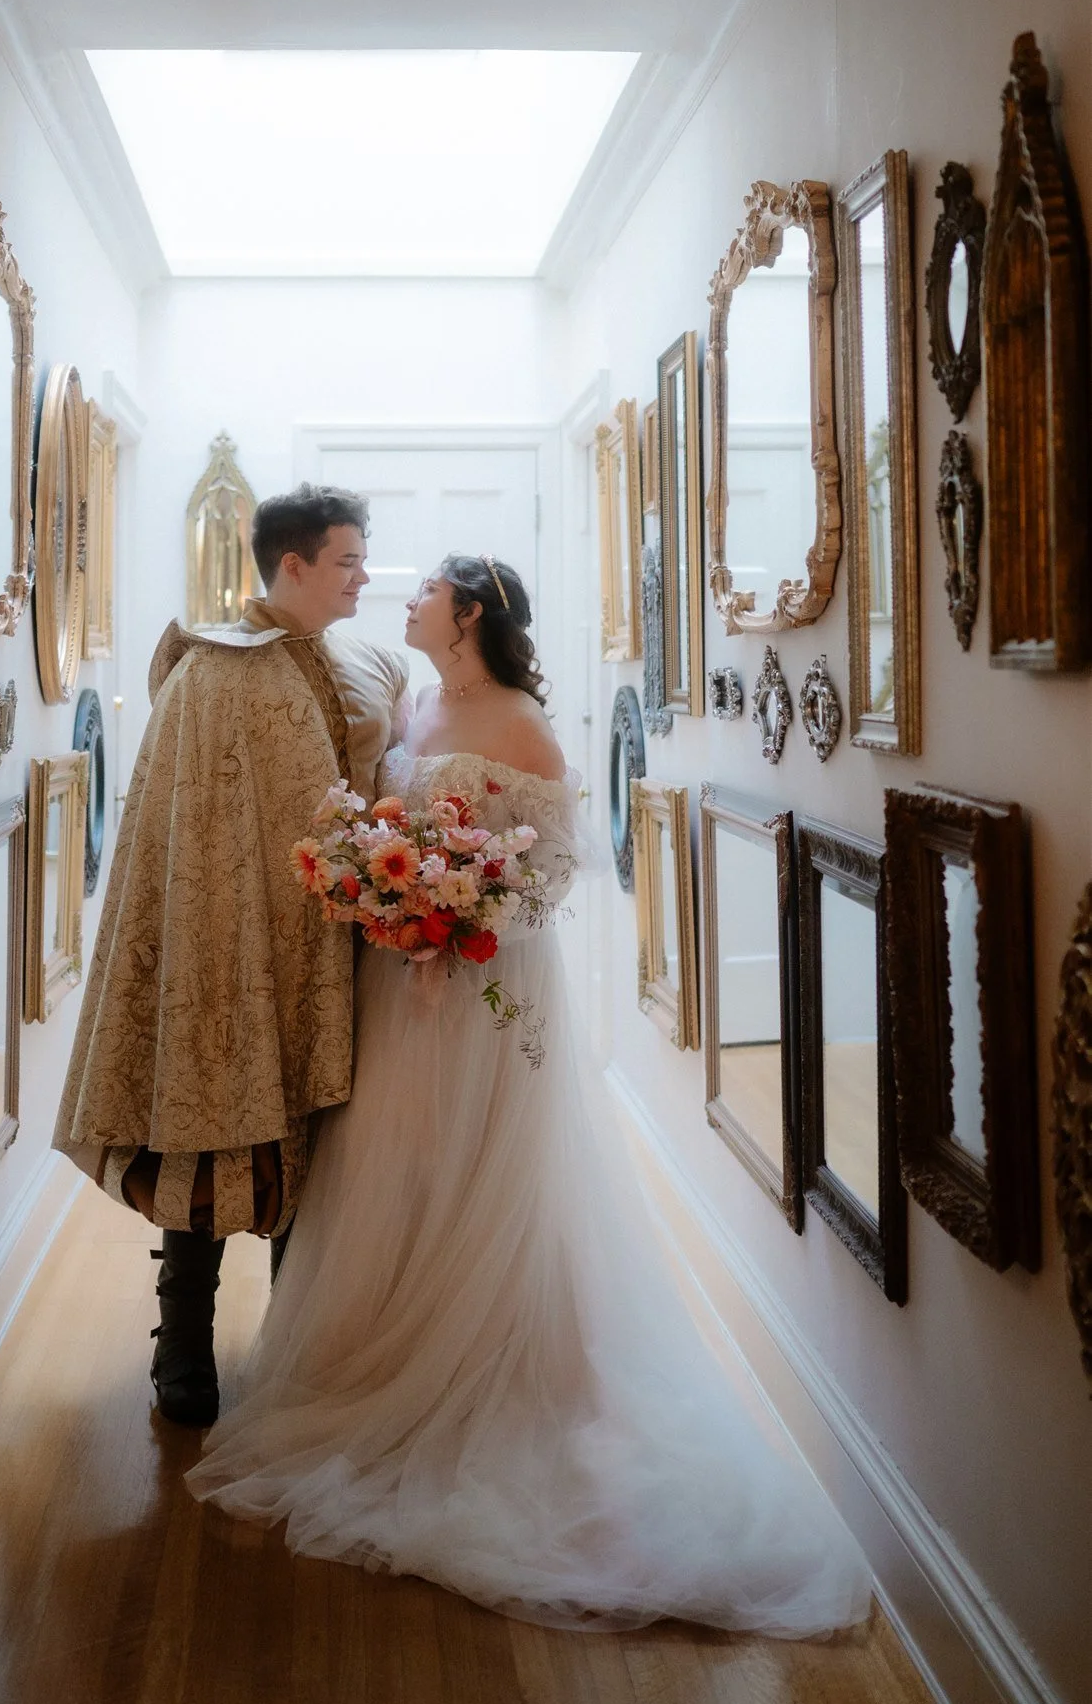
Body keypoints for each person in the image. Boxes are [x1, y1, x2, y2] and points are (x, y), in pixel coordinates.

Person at [186, 553, 873, 1637]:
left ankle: (500, 1365)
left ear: (466, 613)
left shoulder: (525, 723)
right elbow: (381, 822)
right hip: (398, 974)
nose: (403, 600)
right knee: (391, 1159)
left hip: (481, 979)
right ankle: (377, 1349)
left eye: (421, 591)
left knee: (477, 1163)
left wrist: (459, 916)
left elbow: (559, 863)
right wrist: (386, 891)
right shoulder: (412, 700)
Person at [53, 484, 408, 1425]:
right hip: (221, 945)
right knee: (206, 1121)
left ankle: (294, 1333)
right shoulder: (211, 670)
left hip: (331, 942)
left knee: (315, 1134)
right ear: (291, 565)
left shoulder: (360, 662)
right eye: (347, 561)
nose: (364, 577)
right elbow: (181, 830)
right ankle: (184, 1341)